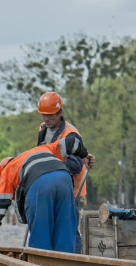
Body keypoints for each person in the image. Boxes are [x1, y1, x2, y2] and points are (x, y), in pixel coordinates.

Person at [0, 137, 89, 252]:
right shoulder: (42, 148)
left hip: (40, 184)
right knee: (65, 231)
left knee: (41, 234)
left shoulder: (7, 170)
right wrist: (84, 155)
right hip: (64, 178)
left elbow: (0, 204)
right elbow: (71, 141)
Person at [37, 92, 95, 252]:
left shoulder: (71, 133)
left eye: (50, 115)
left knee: (69, 230)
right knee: (52, 228)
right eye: (43, 115)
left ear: (59, 113)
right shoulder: (42, 129)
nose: (46, 119)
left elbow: (76, 164)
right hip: (50, 188)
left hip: (70, 190)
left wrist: (51, 167)